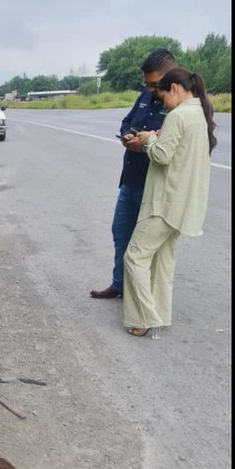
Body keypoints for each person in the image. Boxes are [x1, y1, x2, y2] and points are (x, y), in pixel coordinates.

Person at [121, 67, 217, 337]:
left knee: (135, 257)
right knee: (162, 262)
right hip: (183, 204)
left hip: (164, 202)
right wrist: (156, 136)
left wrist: (151, 140)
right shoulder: (200, 114)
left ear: (174, 88)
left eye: (163, 97)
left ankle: (145, 316)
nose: (162, 103)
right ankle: (159, 315)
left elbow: (162, 156)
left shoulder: (178, 115)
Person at [89, 48, 178, 300]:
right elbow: (127, 121)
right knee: (121, 233)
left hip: (156, 186)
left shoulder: (182, 103)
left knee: (147, 247)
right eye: (146, 84)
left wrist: (149, 140)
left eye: (153, 84)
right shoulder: (145, 95)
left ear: (170, 77)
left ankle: (146, 297)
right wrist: (129, 135)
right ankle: (120, 284)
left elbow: (180, 139)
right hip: (131, 179)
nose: (149, 89)